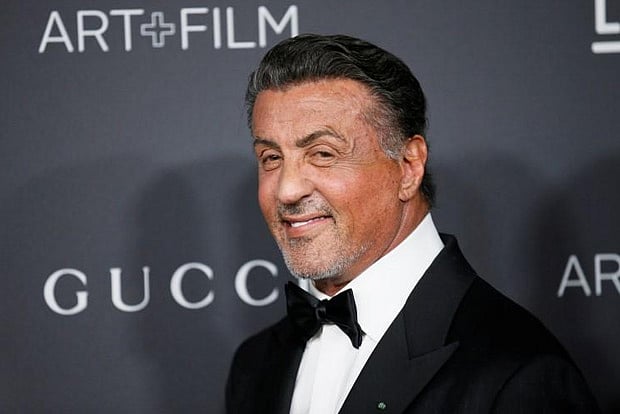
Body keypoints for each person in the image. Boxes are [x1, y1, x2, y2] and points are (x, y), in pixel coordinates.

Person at [226, 34, 599, 414]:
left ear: (408, 167)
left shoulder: (519, 374)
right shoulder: (255, 365)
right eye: (271, 158)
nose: (287, 190)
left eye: (322, 154)